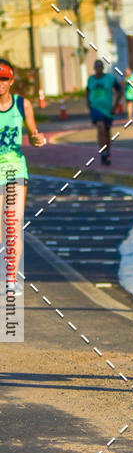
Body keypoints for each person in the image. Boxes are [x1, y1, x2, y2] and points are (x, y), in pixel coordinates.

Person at [0, 58, 45, 293]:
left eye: (4, 79)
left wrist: (39, 140)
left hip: (15, 171)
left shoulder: (22, 105)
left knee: (12, 225)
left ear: (11, 80)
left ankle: (10, 279)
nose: (0, 84)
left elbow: (34, 134)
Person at [86, 59, 122, 165]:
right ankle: (103, 153)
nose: (99, 68)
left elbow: (119, 90)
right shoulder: (91, 79)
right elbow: (87, 91)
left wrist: (115, 106)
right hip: (95, 108)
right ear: (94, 68)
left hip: (108, 109)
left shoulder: (110, 79)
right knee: (101, 128)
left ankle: (107, 151)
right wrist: (87, 101)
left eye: (100, 66)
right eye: (96, 66)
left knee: (106, 132)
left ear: (102, 68)